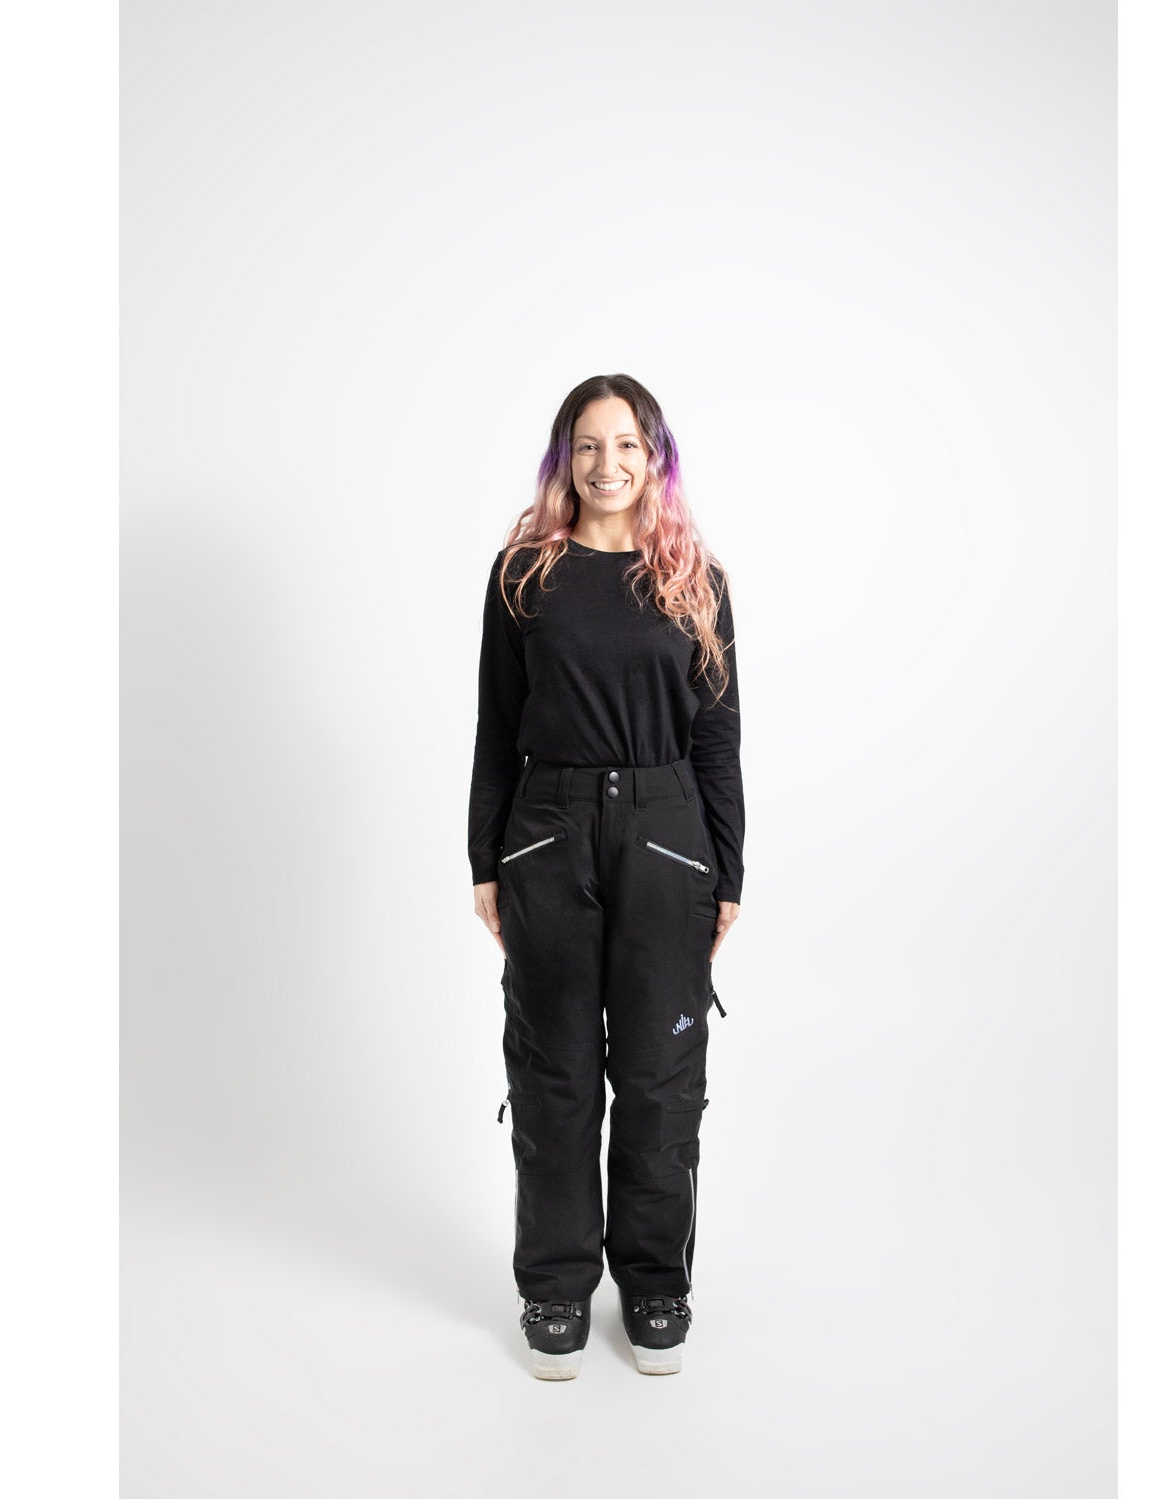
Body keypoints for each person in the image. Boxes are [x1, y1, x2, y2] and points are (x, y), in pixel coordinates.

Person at [468, 373, 745, 1380]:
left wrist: (729, 872)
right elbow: (497, 725)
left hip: (668, 838)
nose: (607, 463)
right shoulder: (524, 576)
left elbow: (718, 737)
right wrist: (484, 858)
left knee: (662, 1080)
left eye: (627, 444)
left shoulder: (694, 579)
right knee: (555, 1074)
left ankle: (656, 1283)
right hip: (547, 833)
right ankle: (554, 1288)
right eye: (587, 445)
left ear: (654, 457)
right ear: (563, 459)